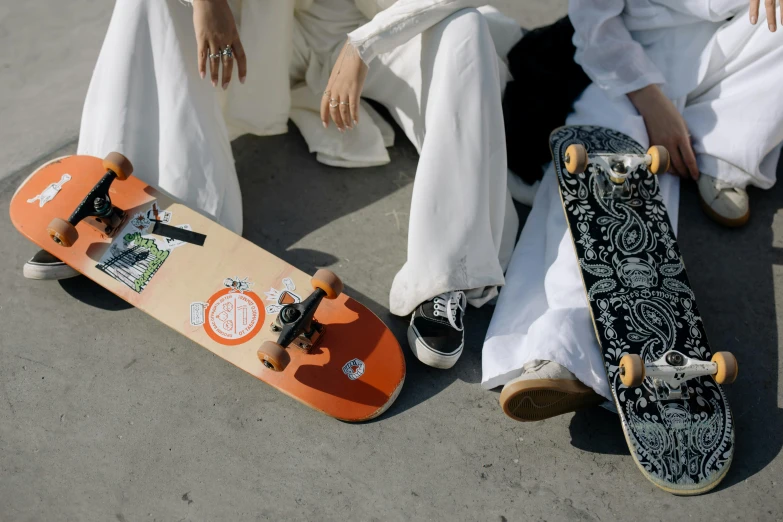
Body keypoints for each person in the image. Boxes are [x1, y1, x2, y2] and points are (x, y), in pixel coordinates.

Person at [24, 0, 522, 370]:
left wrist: (363, 44)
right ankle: (114, 197)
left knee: (465, 28)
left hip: (376, 33)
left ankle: (446, 276)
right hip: (266, 36)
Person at [483, 0, 783, 421]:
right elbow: (593, 20)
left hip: (723, 61)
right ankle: (561, 344)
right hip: (623, 65)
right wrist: (651, 101)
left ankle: (720, 154)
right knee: (606, 184)